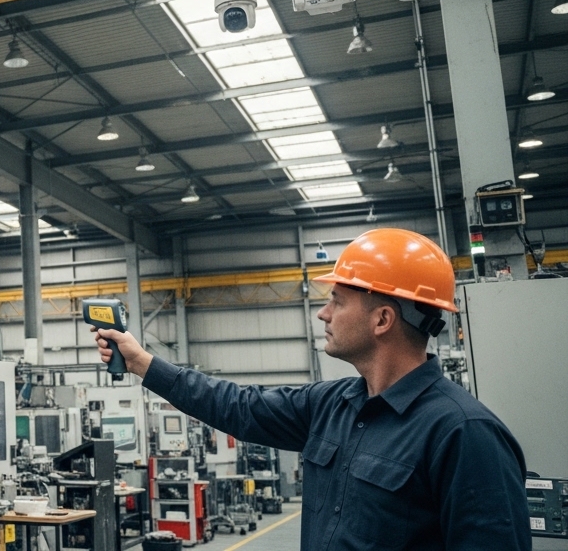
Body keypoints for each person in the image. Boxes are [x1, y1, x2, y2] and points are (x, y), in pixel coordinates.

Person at [93, 228, 529, 550]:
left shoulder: (464, 433)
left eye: (337, 301)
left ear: (382, 319)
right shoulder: (331, 405)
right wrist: (141, 363)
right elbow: (238, 407)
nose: (323, 313)